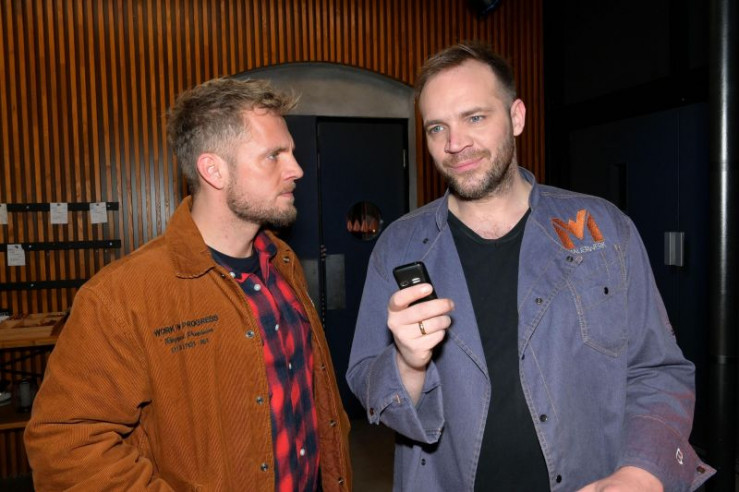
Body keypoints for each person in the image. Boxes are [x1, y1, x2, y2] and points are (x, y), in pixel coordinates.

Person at [346, 42, 714, 491]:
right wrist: (408, 363)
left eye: (474, 118)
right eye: (437, 127)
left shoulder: (603, 230)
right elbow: (367, 382)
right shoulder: (399, 248)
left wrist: (642, 473)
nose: (455, 144)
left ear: (516, 117)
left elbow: (656, 371)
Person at [25, 77, 352, 491]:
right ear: (213, 170)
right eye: (274, 155)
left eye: (291, 152)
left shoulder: (283, 264)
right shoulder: (120, 298)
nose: (296, 170)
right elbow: (65, 448)